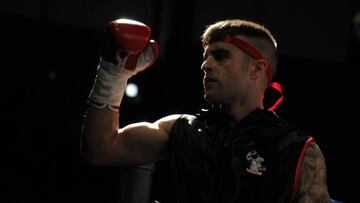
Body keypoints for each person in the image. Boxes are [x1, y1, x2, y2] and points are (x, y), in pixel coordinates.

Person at [81, 18, 330, 203]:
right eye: (206, 57)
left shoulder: (296, 148)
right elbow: (100, 149)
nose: (206, 65)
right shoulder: (182, 129)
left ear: (256, 70)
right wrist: (113, 75)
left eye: (221, 56)